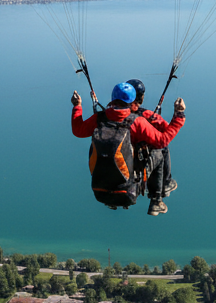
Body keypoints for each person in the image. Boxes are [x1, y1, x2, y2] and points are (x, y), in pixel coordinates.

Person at [71, 82, 185, 216]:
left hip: (100, 191)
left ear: (113, 98)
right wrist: (179, 115)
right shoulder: (136, 121)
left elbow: (78, 130)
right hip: (129, 189)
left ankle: (115, 199)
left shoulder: (100, 118)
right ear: (132, 102)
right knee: (159, 152)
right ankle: (157, 200)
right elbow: (162, 141)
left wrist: (77, 106)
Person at [126, 78, 178, 215]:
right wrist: (179, 115)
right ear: (141, 97)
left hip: (118, 168)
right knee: (161, 149)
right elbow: (166, 132)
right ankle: (161, 191)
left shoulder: (109, 117)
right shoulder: (144, 116)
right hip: (137, 169)